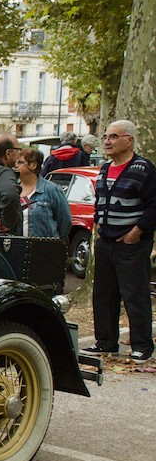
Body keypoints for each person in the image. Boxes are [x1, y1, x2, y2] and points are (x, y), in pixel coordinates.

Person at [83, 120, 156, 364]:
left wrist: (137, 231)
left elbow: (154, 205)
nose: (107, 141)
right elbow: (100, 200)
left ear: (129, 140)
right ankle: (105, 341)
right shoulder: (104, 168)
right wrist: (99, 226)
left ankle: (142, 346)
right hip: (105, 242)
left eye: (113, 136)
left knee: (135, 295)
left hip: (132, 244)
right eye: (105, 136)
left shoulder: (143, 169)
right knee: (103, 294)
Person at [14, 148, 71, 239]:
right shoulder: (12, 190)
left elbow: (65, 222)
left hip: (44, 249)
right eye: (15, 162)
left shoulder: (52, 190)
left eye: (20, 162)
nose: (15, 165)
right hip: (18, 248)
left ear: (33, 165)